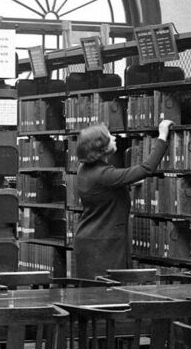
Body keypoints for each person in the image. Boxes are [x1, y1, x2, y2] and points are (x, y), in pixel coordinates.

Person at [73, 118, 173, 280]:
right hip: (103, 244)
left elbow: (103, 192)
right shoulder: (104, 175)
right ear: (101, 147)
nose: (114, 138)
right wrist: (162, 135)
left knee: (93, 295)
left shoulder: (84, 169)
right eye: (109, 137)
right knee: (107, 294)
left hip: (90, 240)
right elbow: (146, 169)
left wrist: (127, 183)